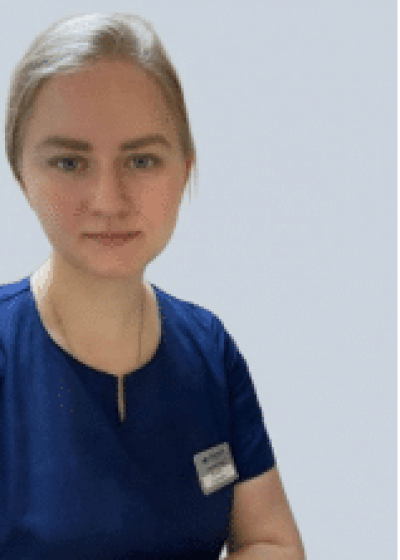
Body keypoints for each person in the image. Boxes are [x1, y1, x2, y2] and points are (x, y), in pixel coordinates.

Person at [0, 12, 305, 560]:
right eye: (70, 162)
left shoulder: (209, 351)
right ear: (21, 171)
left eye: (141, 160)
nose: (108, 200)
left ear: (184, 169)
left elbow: (271, 541)